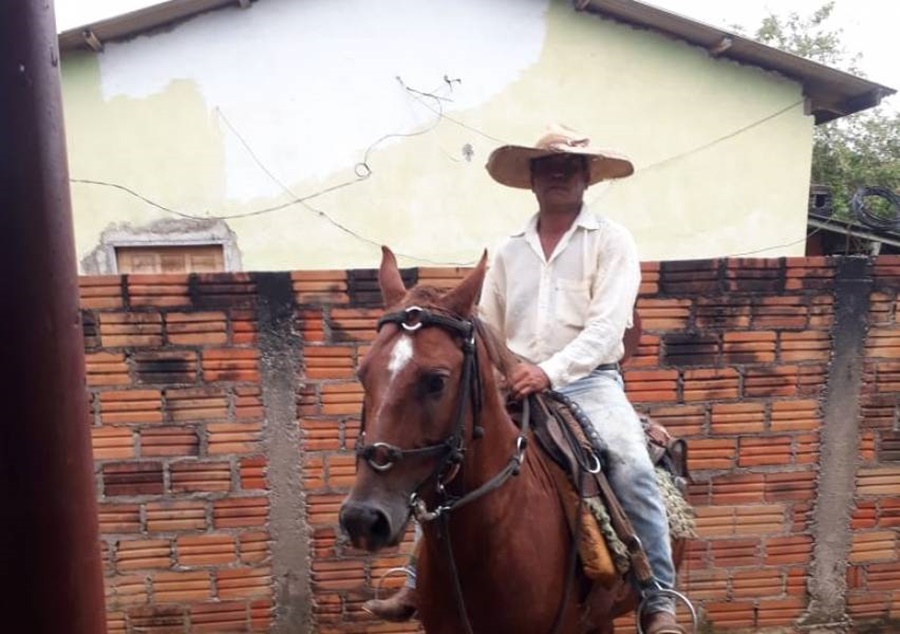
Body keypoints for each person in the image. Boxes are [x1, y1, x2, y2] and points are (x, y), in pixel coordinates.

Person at [363, 125, 685, 634]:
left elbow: (607, 327)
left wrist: (549, 371)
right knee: (451, 458)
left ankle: (657, 597)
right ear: (532, 179)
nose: (558, 174)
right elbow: (486, 324)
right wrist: (507, 371)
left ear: (586, 176)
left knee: (630, 464)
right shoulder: (508, 249)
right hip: (513, 381)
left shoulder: (611, 240)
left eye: (569, 166)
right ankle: (415, 579)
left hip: (589, 382)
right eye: (547, 166)